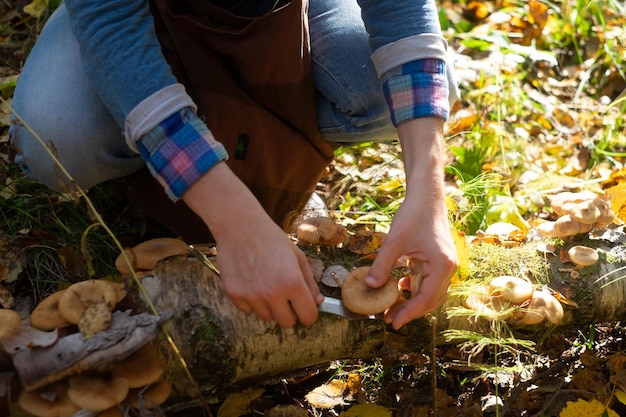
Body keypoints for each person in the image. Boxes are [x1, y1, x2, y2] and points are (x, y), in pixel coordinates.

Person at [9, 0, 459, 330]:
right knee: (59, 140)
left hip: (277, 12)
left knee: (407, 93)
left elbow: (401, 12)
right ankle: (174, 144)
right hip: (132, 13)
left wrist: (427, 190)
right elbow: (111, 27)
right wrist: (237, 221)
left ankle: (241, 130)